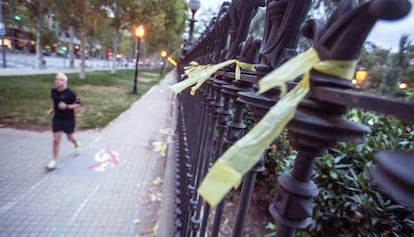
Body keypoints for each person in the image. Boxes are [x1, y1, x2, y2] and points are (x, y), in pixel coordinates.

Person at [46, 72, 82, 169]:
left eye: (60, 79)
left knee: (70, 138)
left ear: (65, 82)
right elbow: (53, 100)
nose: (57, 81)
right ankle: (54, 161)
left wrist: (67, 106)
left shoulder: (70, 93)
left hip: (68, 119)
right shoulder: (53, 91)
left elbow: (79, 104)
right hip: (57, 119)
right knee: (56, 140)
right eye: (56, 79)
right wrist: (52, 109)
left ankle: (76, 144)